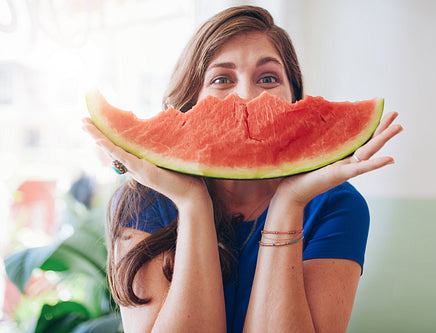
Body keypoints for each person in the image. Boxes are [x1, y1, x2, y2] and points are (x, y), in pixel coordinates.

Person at [83, 5, 402, 333]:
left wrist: (289, 203)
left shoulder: (336, 205)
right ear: (192, 102)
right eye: (222, 79)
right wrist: (193, 204)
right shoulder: (144, 201)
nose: (247, 98)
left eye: (268, 78)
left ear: (294, 99)